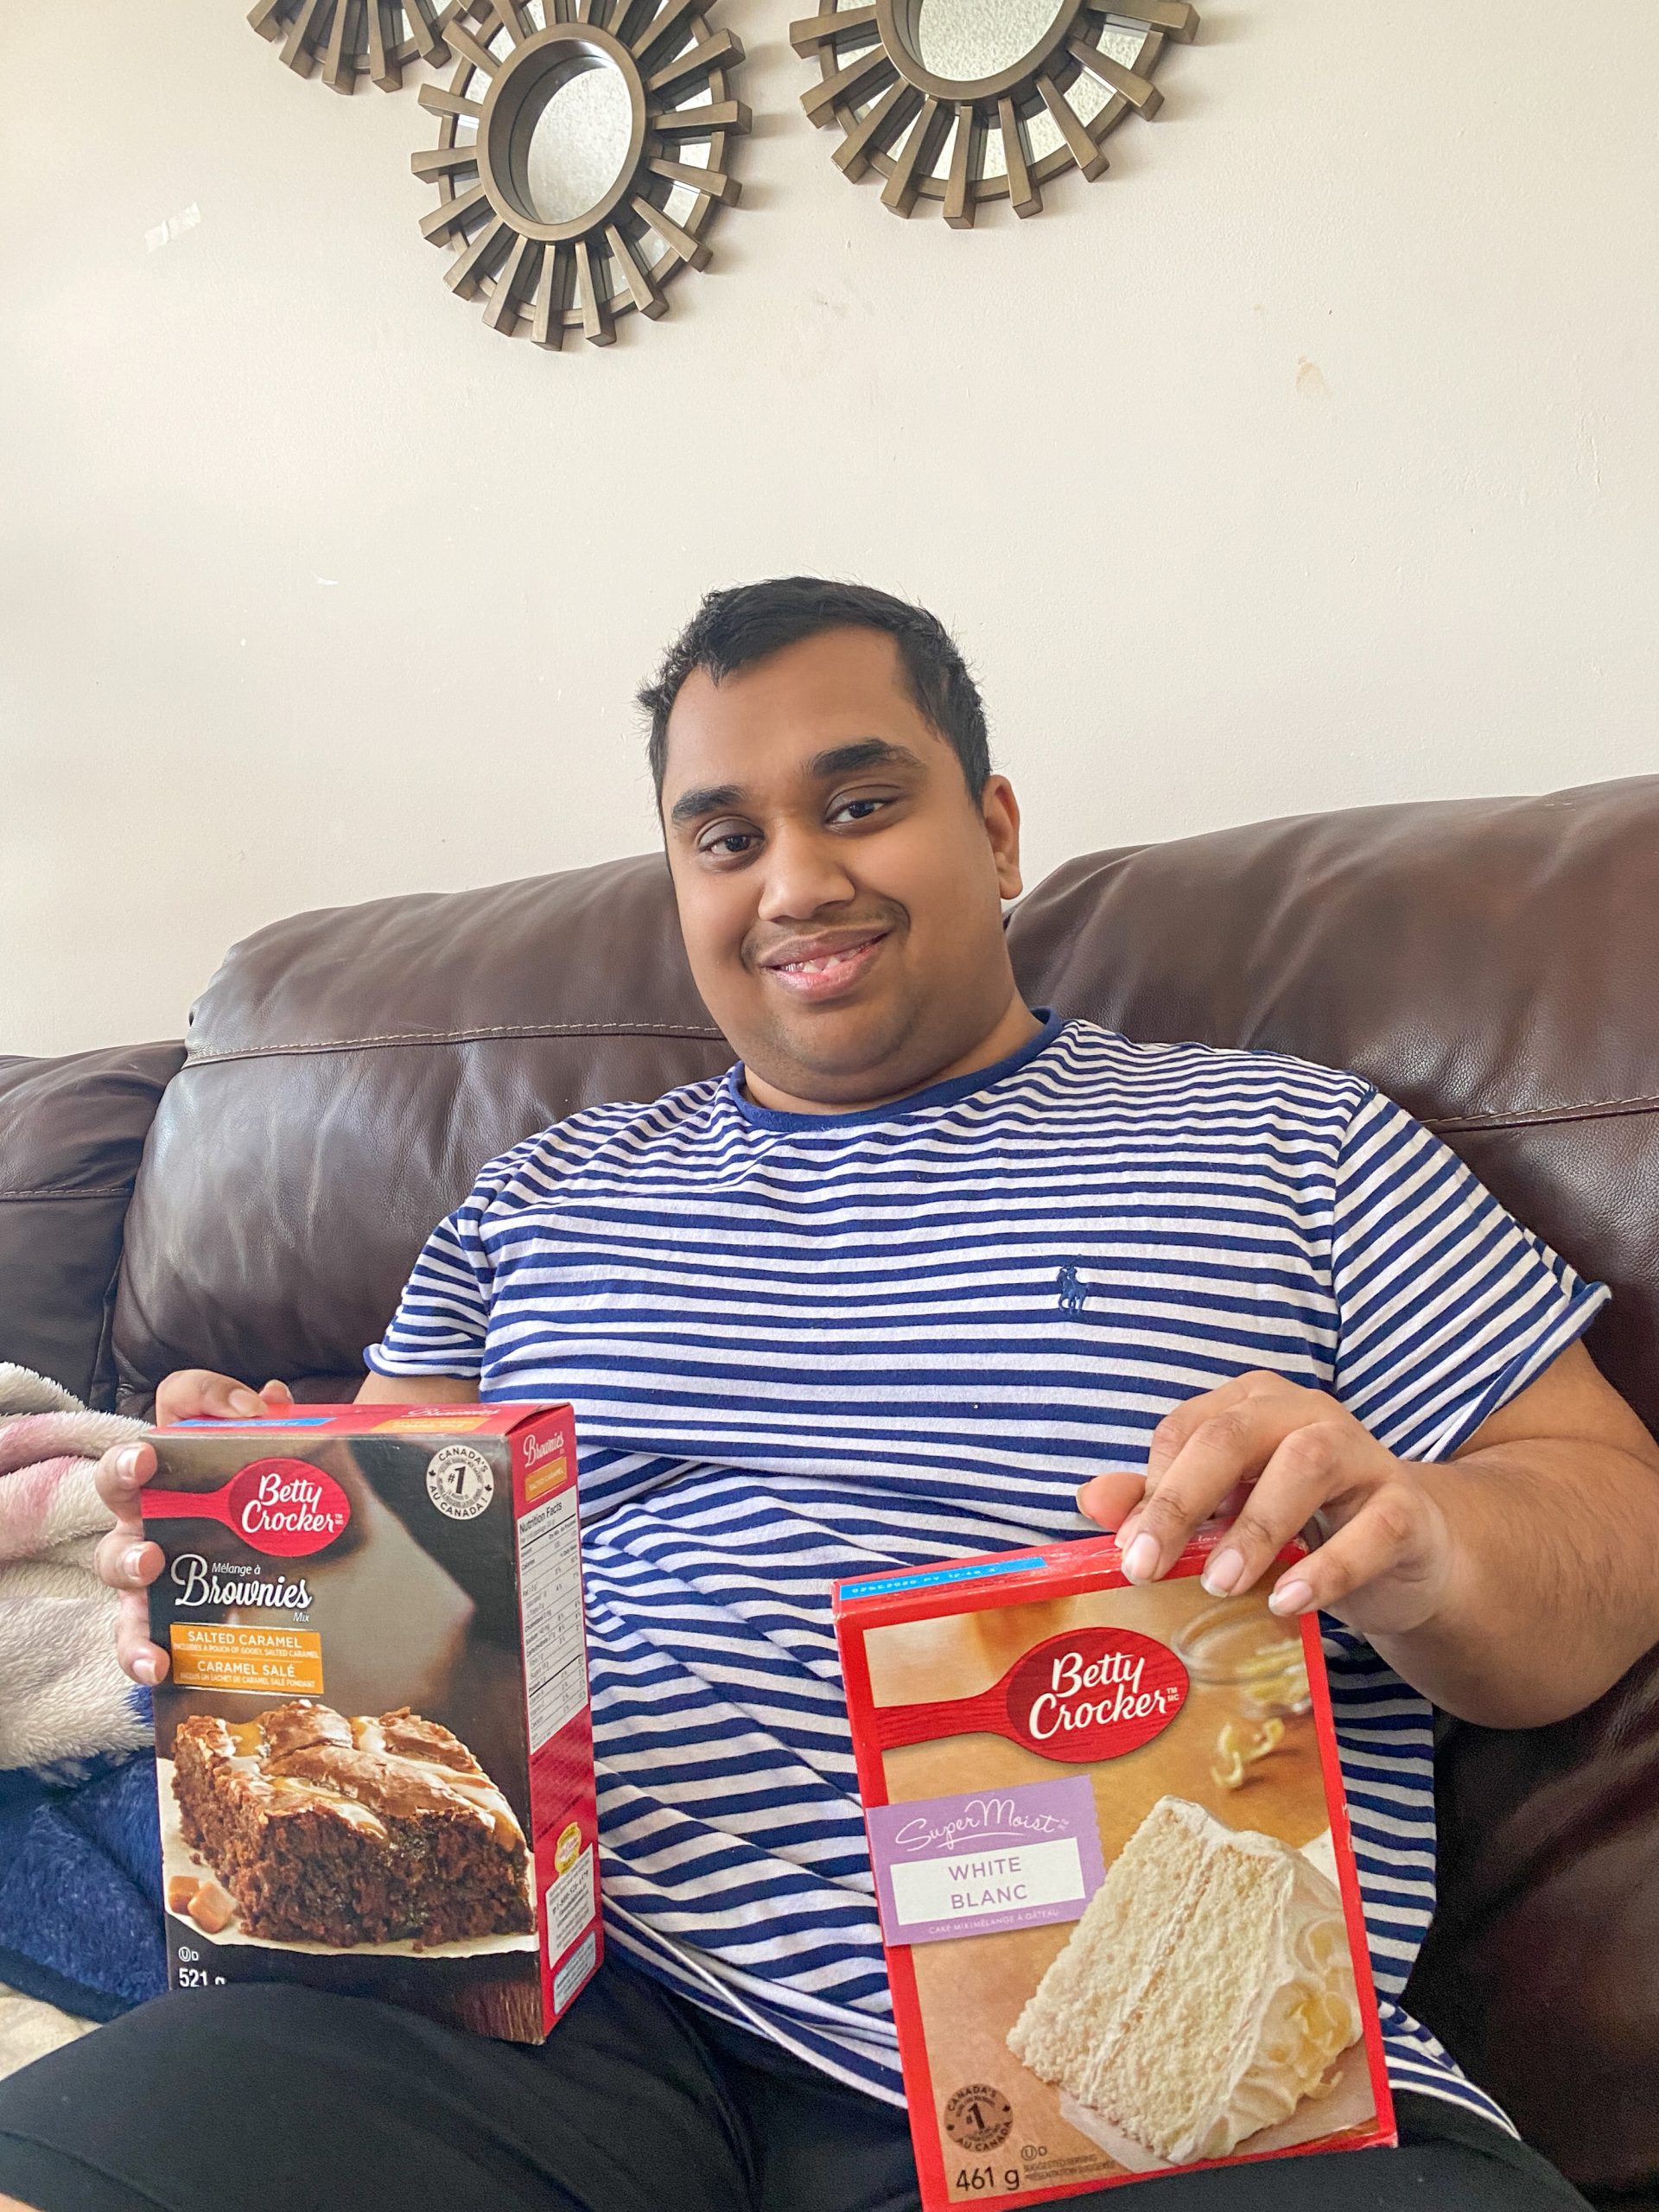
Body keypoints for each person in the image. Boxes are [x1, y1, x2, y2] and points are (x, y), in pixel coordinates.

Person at [3, 578, 1656, 2212]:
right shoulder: (533, 1203)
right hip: (544, 2000)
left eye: (860, 804)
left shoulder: (1289, 1144)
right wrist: (244, 1547)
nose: (797, 881)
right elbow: (385, 1577)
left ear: (997, 834)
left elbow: (1608, 1520)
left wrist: (1429, 1534)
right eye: (725, 839)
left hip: (1126, 2052)